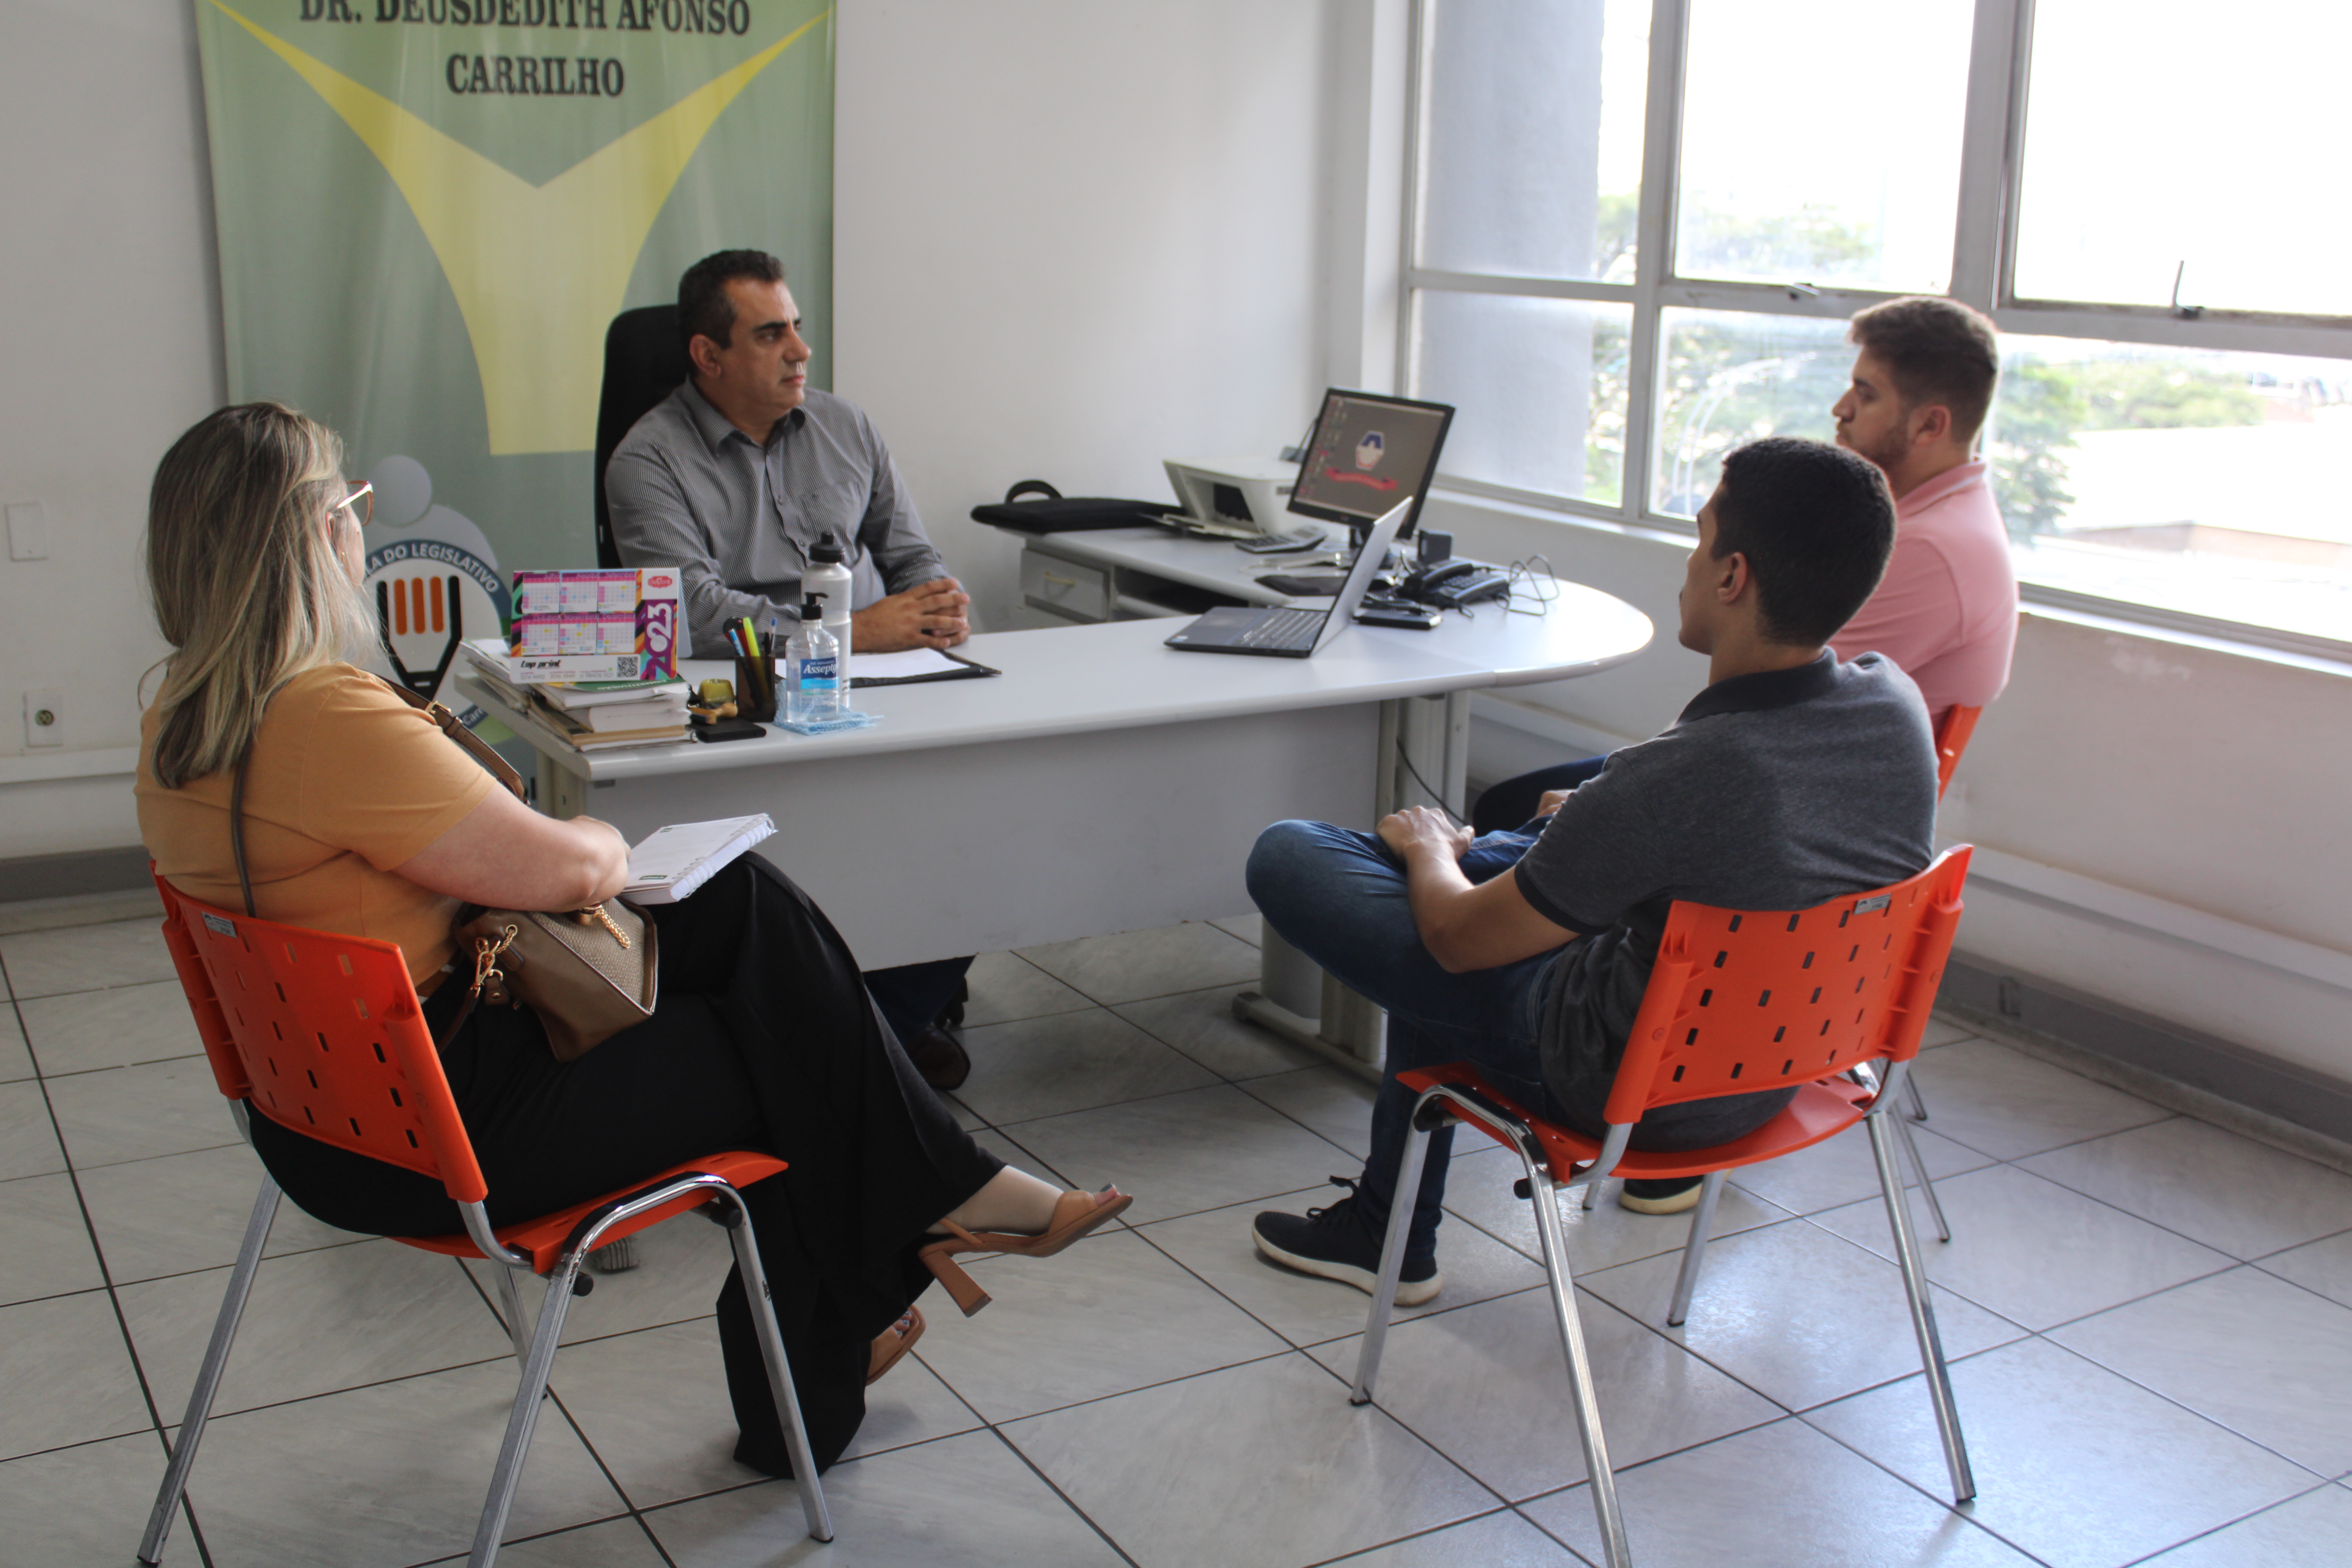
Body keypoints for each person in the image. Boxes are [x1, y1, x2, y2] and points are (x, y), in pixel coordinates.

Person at [136, 403, 1126, 1477]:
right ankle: (829, 1358)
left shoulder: (178, 724)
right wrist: (601, 836)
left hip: (319, 1125)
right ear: (314, 538)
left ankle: (927, 1228)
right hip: (443, 1133)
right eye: (352, 507)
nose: (360, 530)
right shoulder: (327, 720)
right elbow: (567, 868)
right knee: (777, 1045)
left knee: (736, 910)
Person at [1246, 438, 1935, 1303]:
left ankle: (1389, 1233)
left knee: (1301, 857)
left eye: (1698, 541)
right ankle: (1386, 1228)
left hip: (1625, 1083)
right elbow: (1752, 835)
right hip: (1773, 1069)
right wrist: (1601, 822)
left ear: (1732, 577)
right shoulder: (1895, 704)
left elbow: (1458, 941)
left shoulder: (1683, 775)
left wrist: (1429, 848)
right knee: (1520, 844)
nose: (1687, 566)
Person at [606, 248, 978, 1087]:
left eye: (798, 328)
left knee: (975, 834)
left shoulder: (848, 429)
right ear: (710, 356)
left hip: (878, 699)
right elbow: (697, 610)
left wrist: (939, 605)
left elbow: (914, 556)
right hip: (735, 714)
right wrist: (856, 634)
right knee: (790, 889)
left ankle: (863, 1040)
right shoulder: (647, 459)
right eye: (771, 334)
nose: (800, 351)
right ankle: (861, 1050)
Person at [1473, 297, 2017, 843]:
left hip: (1779, 816)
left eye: (1866, 393)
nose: (1841, 408)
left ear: (1931, 425)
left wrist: (1622, 792)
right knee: (1519, 803)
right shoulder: (1954, 521)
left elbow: (1769, 704)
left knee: (1505, 808)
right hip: (1796, 791)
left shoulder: (1931, 549)